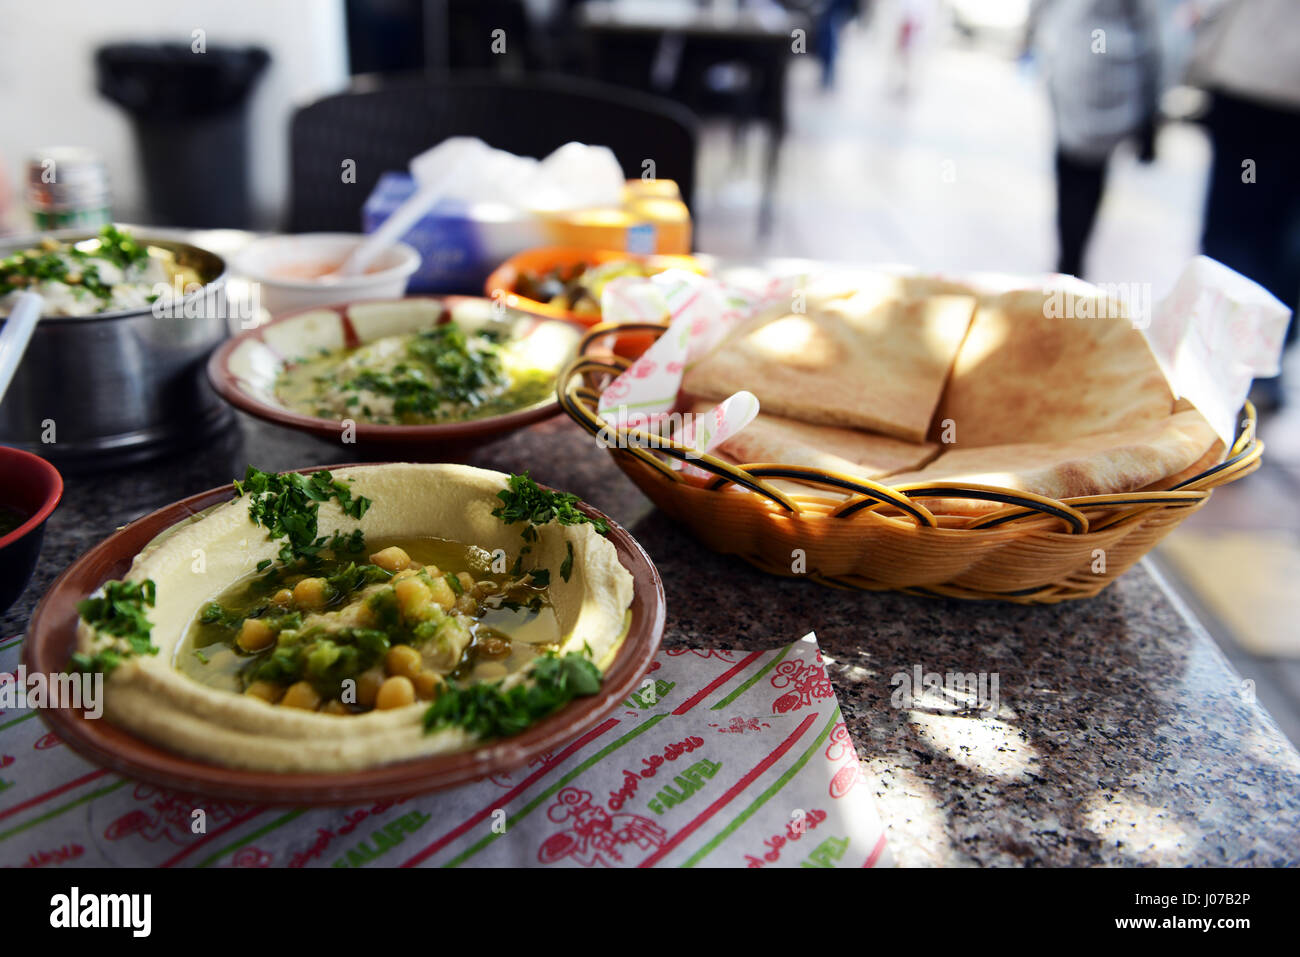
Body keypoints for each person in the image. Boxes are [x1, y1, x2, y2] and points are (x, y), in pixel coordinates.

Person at [1186, 0, 1300, 411]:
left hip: (1251, 78)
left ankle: (1224, 358)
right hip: (1263, 85)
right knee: (1284, 235)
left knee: (1234, 229)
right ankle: (1263, 364)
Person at [1031, 0, 1164, 277]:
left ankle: (1069, 260)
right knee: (1088, 177)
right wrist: (1152, 109)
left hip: (1075, 67)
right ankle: (1071, 261)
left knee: (1074, 175)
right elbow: (1151, 36)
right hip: (1109, 77)